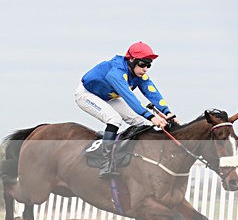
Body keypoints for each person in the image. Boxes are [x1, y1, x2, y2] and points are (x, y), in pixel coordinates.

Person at [75, 41, 178, 179]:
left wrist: (167, 113)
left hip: (108, 97)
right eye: (142, 64)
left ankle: (127, 156)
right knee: (114, 119)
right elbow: (131, 99)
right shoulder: (116, 73)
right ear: (131, 60)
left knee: (140, 122)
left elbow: (152, 93)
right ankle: (105, 162)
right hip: (87, 94)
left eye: (149, 65)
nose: (145, 69)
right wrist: (152, 117)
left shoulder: (139, 74)